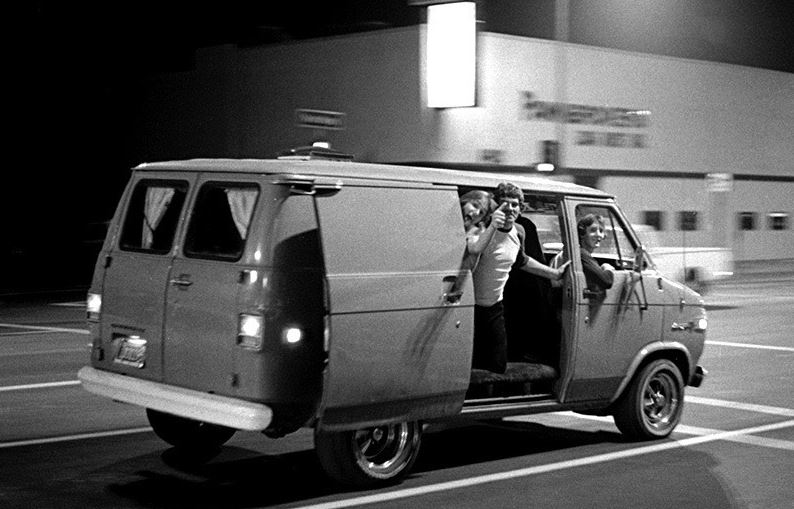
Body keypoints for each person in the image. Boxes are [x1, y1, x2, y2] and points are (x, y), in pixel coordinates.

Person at [468, 183, 569, 374]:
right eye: (504, 203)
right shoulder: (481, 229)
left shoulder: (519, 231)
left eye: (514, 205)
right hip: (470, 306)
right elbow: (474, 251)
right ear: (495, 206)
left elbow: (521, 260)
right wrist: (493, 226)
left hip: (494, 307)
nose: (510, 209)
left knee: (497, 365)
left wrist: (553, 273)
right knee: (472, 364)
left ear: (520, 208)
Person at [550, 213, 615, 294]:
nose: (599, 235)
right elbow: (606, 281)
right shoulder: (580, 254)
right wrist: (607, 268)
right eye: (593, 230)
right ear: (582, 233)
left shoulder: (572, 251)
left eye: (601, 231)